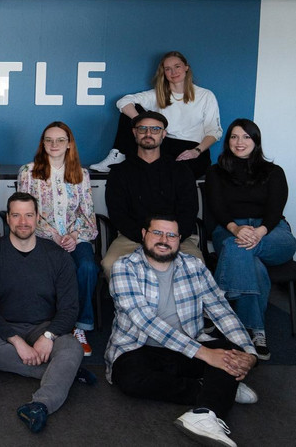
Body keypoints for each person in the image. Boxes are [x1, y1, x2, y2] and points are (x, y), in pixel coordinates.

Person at [106, 216, 258, 447]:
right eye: (157, 233)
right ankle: (218, 388)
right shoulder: (124, 267)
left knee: (230, 349)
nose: (164, 240)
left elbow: (221, 310)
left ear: (179, 239)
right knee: (129, 379)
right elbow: (146, 321)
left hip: (187, 345)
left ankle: (204, 412)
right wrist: (206, 354)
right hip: (139, 348)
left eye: (171, 235)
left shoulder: (194, 266)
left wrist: (249, 353)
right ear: (144, 234)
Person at [0, 192, 88, 434]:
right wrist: (17, 342)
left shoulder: (58, 256)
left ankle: (41, 404)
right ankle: (65, 372)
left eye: (28, 215)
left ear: (38, 217)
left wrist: (48, 337)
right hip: (3, 329)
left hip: (44, 327)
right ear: (7, 218)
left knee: (73, 348)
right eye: (16, 215)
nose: (23, 222)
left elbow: (70, 308)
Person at [205, 118, 295, 361]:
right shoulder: (215, 172)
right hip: (230, 229)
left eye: (246, 137)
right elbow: (217, 207)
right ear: (228, 141)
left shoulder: (274, 172)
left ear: (256, 140)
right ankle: (256, 330)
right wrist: (235, 228)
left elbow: (275, 210)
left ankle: (215, 304)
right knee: (249, 261)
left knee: (239, 250)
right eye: (234, 136)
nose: (239, 142)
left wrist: (259, 232)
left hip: (271, 231)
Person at [17, 121, 99, 354]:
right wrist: (52, 235)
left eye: (60, 140)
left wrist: (74, 235)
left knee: (87, 267)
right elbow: (24, 212)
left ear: (69, 144)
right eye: (49, 140)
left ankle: (80, 326)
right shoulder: (28, 172)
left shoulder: (81, 174)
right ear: (43, 144)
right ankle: (50, 326)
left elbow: (88, 216)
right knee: (59, 269)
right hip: (42, 237)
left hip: (76, 237)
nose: (54, 144)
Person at [102, 110, 202, 278]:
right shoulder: (119, 172)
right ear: (134, 132)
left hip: (176, 238)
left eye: (155, 129)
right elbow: (118, 214)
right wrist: (146, 237)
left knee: (196, 266)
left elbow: (189, 210)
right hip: (133, 238)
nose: (148, 133)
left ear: (163, 134)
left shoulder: (181, 171)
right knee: (110, 265)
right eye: (143, 129)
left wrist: (170, 236)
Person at [91, 51, 221, 178]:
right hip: (163, 144)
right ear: (163, 72)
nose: (173, 72)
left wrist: (196, 151)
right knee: (130, 110)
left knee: (179, 175)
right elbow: (123, 102)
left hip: (193, 147)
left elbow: (214, 131)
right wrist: (140, 122)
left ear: (186, 68)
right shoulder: (157, 94)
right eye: (168, 69)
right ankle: (119, 155)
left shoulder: (205, 95)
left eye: (177, 66)